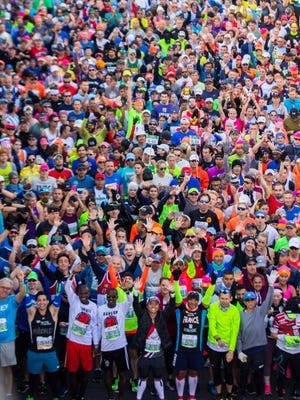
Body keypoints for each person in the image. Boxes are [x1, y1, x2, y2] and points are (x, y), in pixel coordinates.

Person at [237, 270, 278, 400]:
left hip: (259, 348)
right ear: (244, 301)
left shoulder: (261, 311)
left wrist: (271, 286)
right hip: (245, 349)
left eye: (252, 299)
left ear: (255, 301)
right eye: (247, 300)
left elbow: (268, 300)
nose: (250, 302)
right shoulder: (240, 314)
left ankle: (259, 394)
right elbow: (238, 335)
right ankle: (242, 394)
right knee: (243, 373)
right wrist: (239, 351)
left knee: (258, 372)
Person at [132, 276, 175, 400]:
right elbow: (135, 305)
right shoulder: (142, 315)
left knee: (158, 377)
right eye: (151, 303)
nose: (153, 306)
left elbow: (171, 307)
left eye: (156, 304)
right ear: (147, 305)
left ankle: (162, 397)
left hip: (158, 355)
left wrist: (172, 293)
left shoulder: (162, 315)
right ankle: (138, 397)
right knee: (143, 377)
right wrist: (135, 292)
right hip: (145, 355)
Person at [64, 264, 99, 400]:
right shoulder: (74, 301)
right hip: (72, 342)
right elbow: (67, 286)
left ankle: (81, 395)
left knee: (86, 372)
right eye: (81, 293)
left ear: (89, 293)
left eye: (86, 293)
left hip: (86, 343)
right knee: (72, 372)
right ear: (78, 293)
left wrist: (95, 345)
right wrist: (73, 272)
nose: (83, 296)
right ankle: (73, 396)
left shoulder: (93, 306)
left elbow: (95, 327)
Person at [25, 282, 63, 400]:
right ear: (36, 302)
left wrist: (61, 281)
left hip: (50, 352)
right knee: (33, 377)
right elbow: (26, 296)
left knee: (53, 376)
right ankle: (30, 395)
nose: (42, 302)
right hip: (34, 352)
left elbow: (58, 296)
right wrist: (23, 282)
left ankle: (56, 396)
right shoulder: (32, 312)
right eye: (39, 300)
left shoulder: (52, 312)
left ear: (47, 301)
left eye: (44, 300)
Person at [98, 286, 133, 400]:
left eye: (113, 296)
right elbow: (98, 328)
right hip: (106, 348)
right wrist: (96, 345)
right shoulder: (101, 309)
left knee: (122, 374)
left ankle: (121, 397)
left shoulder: (122, 307)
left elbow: (130, 300)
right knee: (107, 374)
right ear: (106, 297)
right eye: (109, 296)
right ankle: (110, 396)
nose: (111, 298)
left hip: (120, 346)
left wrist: (127, 290)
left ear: (117, 297)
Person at [207, 289, 240, 400]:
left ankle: (229, 394)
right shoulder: (213, 307)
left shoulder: (235, 310)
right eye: (222, 298)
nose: (224, 301)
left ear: (231, 298)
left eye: (227, 298)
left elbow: (235, 331)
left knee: (228, 371)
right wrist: (218, 339)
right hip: (214, 344)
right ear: (219, 298)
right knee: (216, 370)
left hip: (228, 346)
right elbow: (212, 325)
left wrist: (231, 350)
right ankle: (219, 394)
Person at [0, 267, 25, 398]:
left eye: (7, 288)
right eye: (2, 287)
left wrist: (21, 281)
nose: (5, 290)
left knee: (8, 368)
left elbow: (22, 294)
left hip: (7, 341)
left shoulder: (12, 301)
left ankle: (8, 393)